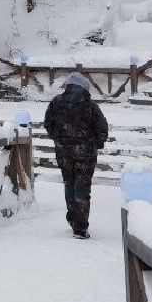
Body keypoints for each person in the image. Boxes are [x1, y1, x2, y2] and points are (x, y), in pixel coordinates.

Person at [44, 72, 109, 238]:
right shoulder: (90, 105)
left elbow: (48, 123)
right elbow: (102, 127)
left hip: (63, 152)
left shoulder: (55, 102)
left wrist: (58, 138)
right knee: (82, 187)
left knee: (69, 183)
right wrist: (98, 143)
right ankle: (80, 228)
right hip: (85, 153)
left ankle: (73, 219)